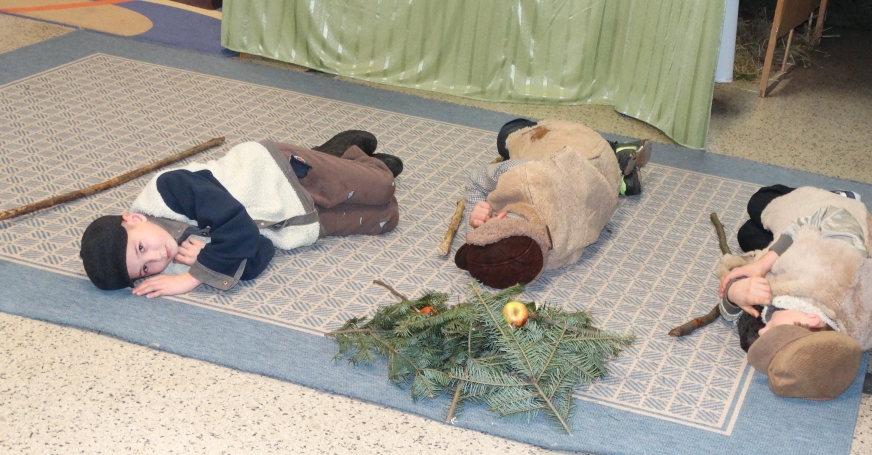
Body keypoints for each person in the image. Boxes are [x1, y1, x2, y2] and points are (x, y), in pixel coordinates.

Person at [80, 131, 402, 297]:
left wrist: (195, 277)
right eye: (145, 268)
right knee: (387, 218)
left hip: (283, 173)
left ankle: (339, 157)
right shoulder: (181, 257)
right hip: (294, 220)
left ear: (134, 219)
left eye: (141, 247)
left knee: (383, 185)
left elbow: (237, 224)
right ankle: (339, 159)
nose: (155, 257)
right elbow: (260, 250)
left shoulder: (169, 189)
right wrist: (210, 260)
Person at [716, 184, 872, 400]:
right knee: (758, 201)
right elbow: (832, 215)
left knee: (746, 235)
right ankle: (841, 194)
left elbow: (732, 306)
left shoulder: (782, 323)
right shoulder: (842, 273)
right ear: (812, 319)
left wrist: (734, 294)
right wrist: (764, 263)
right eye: (773, 331)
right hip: (824, 221)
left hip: (794, 261)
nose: (762, 332)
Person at [454, 119, 651, 289]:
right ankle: (616, 150)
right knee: (508, 134)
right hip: (589, 151)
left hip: (604, 185)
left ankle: (622, 179)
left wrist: (476, 225)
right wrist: (476, 225)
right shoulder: (525, 176)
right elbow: (476, 180)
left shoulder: (557, 256)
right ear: (502, 216)